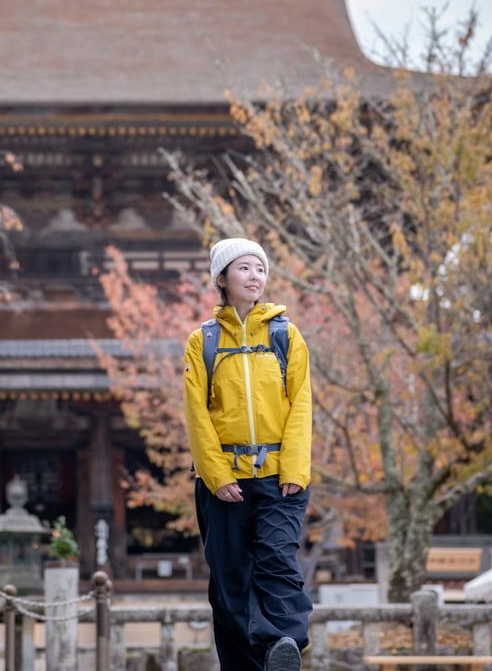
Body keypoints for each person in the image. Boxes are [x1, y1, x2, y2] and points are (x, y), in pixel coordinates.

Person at [183, 238, 313, 671]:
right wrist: (217, 477)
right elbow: (196, 415)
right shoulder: (201, 342)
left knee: (278, 559)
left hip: (280, 477)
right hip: (224, 482)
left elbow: (301, 404)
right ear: (222, 278)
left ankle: (283, 644)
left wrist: (294, 467)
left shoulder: (285, 335)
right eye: (244, 268)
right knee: (230, 581)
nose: (255, 276)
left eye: (260, 268)